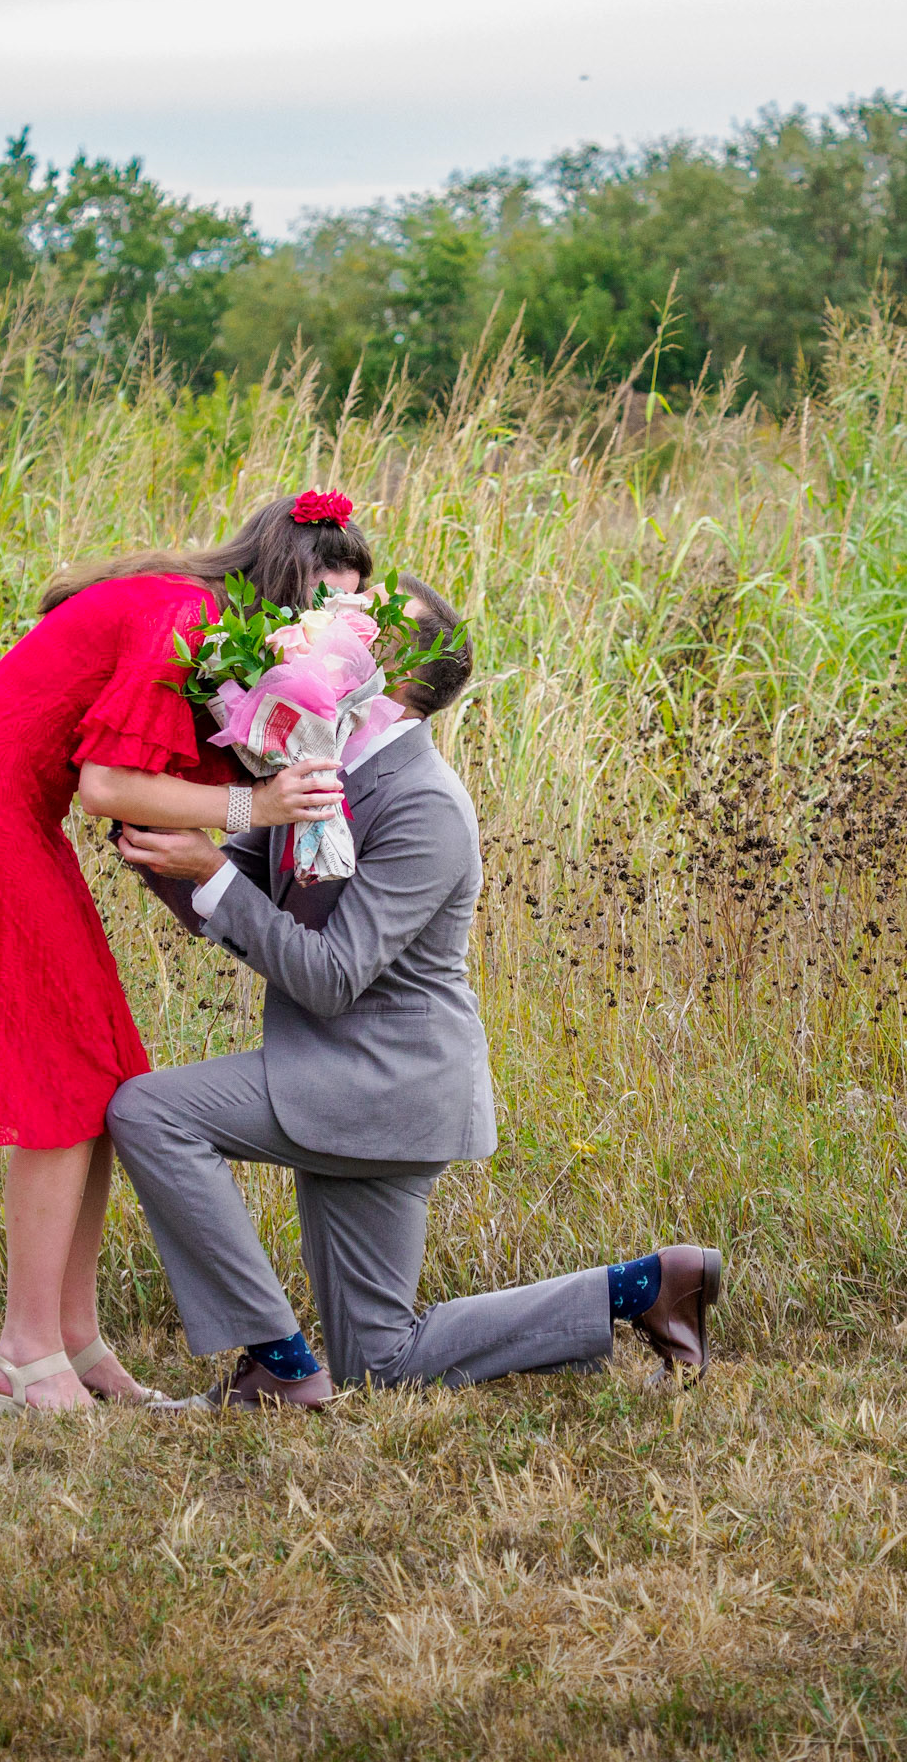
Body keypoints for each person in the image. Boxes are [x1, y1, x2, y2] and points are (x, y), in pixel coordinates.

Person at [108, 576, 724, 1404]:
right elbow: (236, 891)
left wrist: (209, 870)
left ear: (388, 679)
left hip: (384, 1083)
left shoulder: (424, 806)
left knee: (151, 1112)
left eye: (356, 621)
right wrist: (150, 830)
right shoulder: (319, 767)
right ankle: (646, 1288)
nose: (322, 622)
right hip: (349, 1077)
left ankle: (276, 1364)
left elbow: (329, 976)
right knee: (382, 1363)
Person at [0, 494, 368, 1414]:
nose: (326, 630)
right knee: (57, 1082)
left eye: (346, 611)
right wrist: (256, 807)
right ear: (280, 579)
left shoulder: (207, 622)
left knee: (99, 1072)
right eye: (320, 604)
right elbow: (104, 785)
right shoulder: (188, 614)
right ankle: (23, 1356)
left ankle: (76, 1338)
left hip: (14, 821)